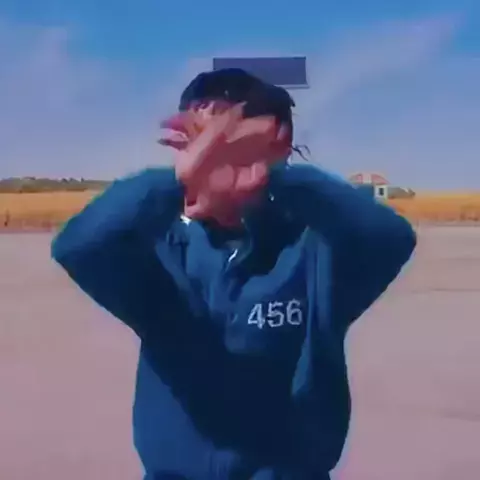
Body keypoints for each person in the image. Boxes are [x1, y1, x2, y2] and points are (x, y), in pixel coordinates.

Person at [51, 68, 416, 480]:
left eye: (231, 146)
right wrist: (177, 181)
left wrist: (276, 176)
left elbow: (391, 239)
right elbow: (76, 247)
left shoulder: (314, 250)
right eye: (201, 145)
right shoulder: (161, 249)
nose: (213, 159)